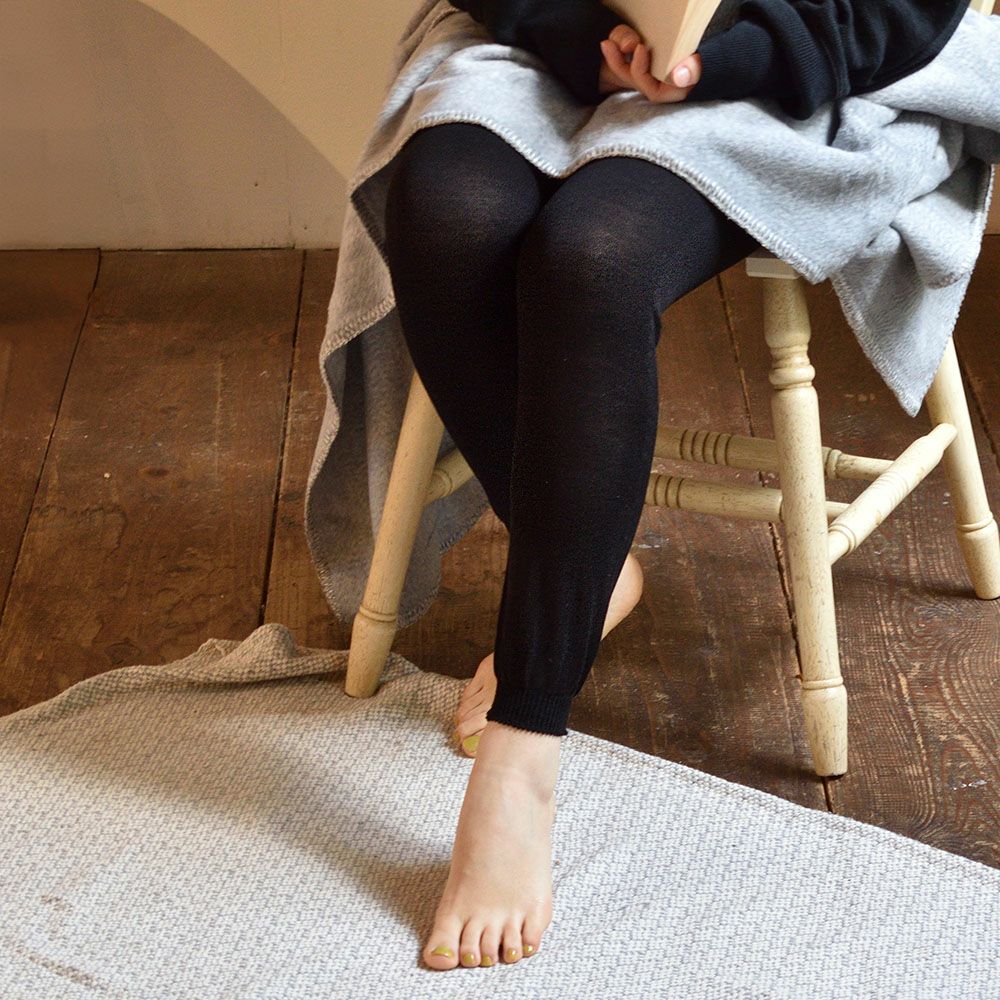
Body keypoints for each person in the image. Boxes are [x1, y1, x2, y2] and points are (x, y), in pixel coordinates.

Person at [379, 0, 969, 972]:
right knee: (447, 217)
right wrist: (584, 38)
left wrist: (722, 60)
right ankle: (588, 571)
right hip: (555, 33)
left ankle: (525, 742)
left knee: (591, 257)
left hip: (795, 63)